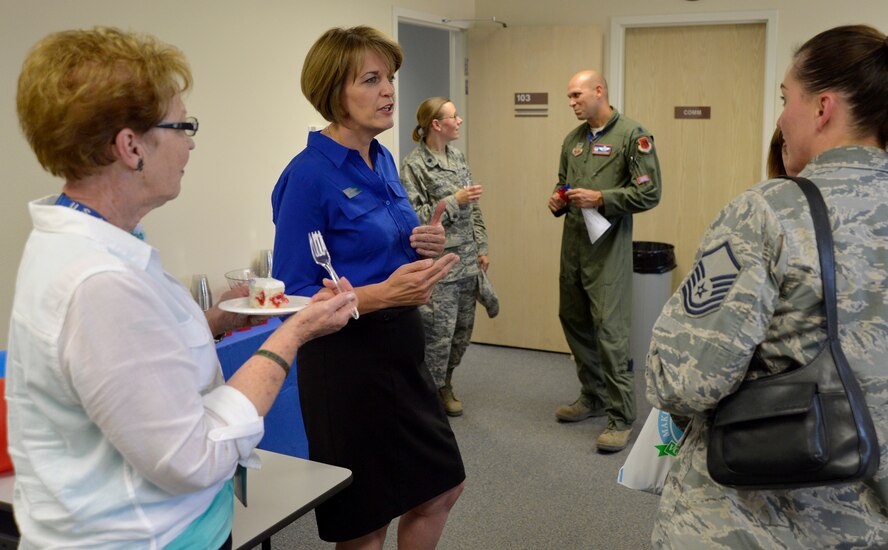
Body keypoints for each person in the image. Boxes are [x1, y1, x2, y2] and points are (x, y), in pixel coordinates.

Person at [8, 27, 357, 548]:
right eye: (182, 125)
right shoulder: (98, 282)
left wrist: (218, 320)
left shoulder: (100, 242)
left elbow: (136, 357)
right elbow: (190, 457)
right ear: (130, 146)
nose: (191, 140)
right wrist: (292, 335)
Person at [646, 24, 888, 548]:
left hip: (757, 518)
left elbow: (685, 381)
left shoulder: (770, 212)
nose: (782, 118)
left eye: (786, 99)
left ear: (822, 107)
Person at [270, 26, 465, 548]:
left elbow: (379, 248)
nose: (389, 91)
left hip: (401, 350)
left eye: (391, 78)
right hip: (346, 365)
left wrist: (422, 239)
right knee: (365, 522)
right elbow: (294, 296)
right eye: (372, 79)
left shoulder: (379, 158)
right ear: (336, 91)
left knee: (442, 488)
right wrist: (384, 294)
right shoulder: (308, 176)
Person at [548, 70, 662, 452]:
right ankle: (593, 396)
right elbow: (562, 184)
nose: (572, 102)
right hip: (574, 246)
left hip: (608, 247)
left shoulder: (632, 136)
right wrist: (557, 200)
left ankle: (621, 415)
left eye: (577, 94)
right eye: (569, 96)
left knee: (610, 333)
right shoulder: (573, 140)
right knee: (574, 319)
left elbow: (649, 194)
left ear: (599, 91)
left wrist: (601, 198)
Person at [400, 96, 489, 416]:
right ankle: (429, 394)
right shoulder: (414, 165)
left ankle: (445, 383)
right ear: (437, 124)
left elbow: (474, 208)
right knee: (437, 336)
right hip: (439, 265)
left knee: (461, 335)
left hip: (467, 262)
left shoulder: (458, 158)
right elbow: (415, 218)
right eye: (454, 117)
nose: (460, 121)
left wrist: (482, 247)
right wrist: (454, 200)